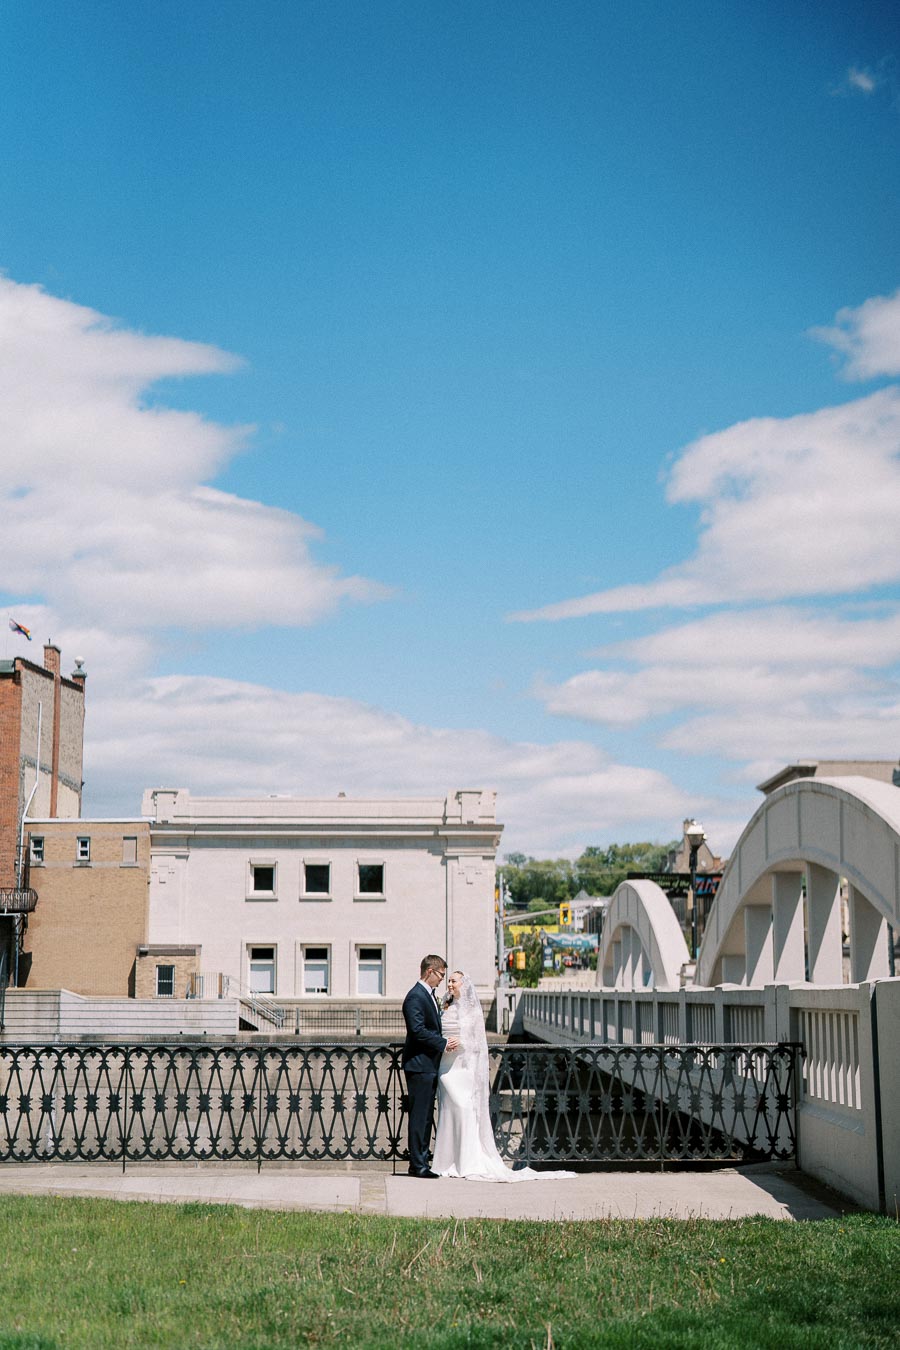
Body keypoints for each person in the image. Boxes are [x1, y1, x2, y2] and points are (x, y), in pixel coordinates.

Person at [431, 971, 575, 1182]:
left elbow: (477, 1043)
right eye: (449, 980)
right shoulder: (445, 1005)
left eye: (453, 981)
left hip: (463, 1067)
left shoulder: (472, 1011)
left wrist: (459, 1044)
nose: (450, 984)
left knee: (464, 1111)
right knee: (449, 1111)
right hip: (446, 1066)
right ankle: (445, 1161)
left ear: (464, 984)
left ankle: (466, 1161)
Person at [401, 954, 460, 1178]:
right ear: (430, 972)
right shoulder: (415, 997)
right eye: (441, 975)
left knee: (426, 1116)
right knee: (420, 1116)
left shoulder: (428, 995)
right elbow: (417, 1031)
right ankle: (418, 1164)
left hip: (427, 1065)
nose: (442, 980)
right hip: (419, 1065)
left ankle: (421, 1161)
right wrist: (443, 1043)